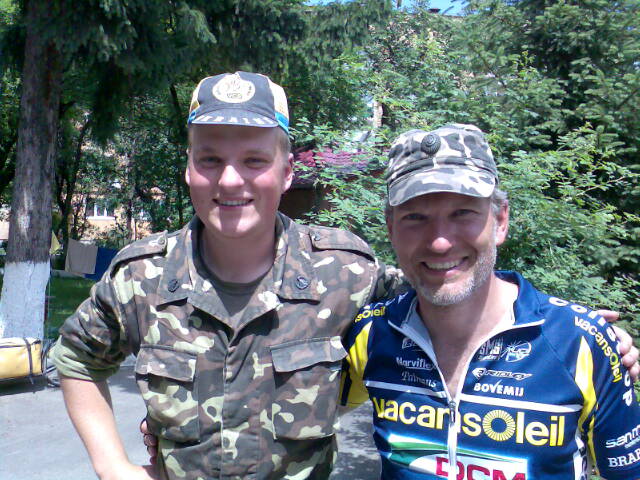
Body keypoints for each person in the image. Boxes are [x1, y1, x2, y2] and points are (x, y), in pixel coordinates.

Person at [50, 71, 403, 480]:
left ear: (287, 172)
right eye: (210, 160)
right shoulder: (141, 277)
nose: (230, 180)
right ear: (189, 167)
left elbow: (434, 319)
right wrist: (112, 466)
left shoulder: (347, 272)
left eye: (254, 160)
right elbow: (76, 358)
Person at [340, 124, 640, 479]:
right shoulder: (372, 333)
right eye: (415, 217)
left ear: (500, 221)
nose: (440, 242)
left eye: (463, 213)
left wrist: (598, 340)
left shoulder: (579, 343)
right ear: (391, 228)